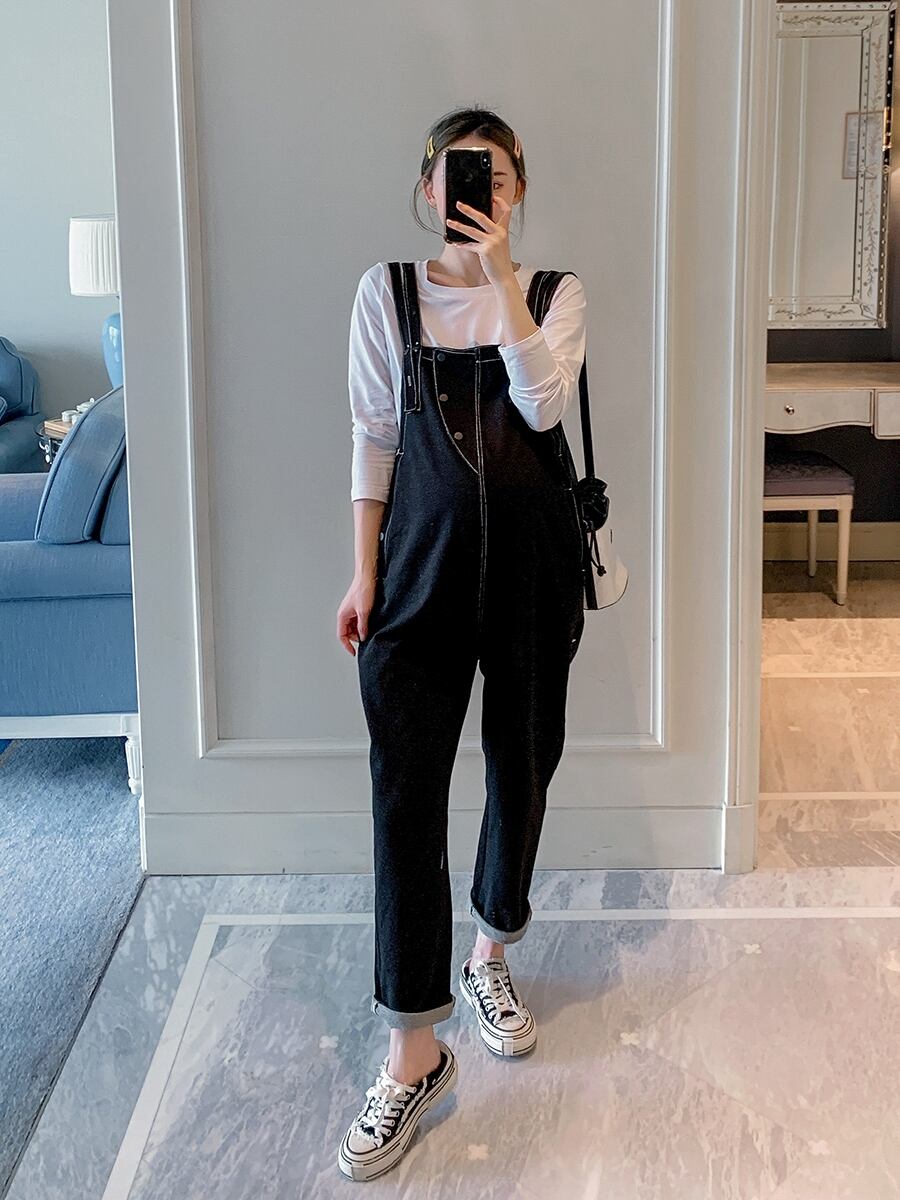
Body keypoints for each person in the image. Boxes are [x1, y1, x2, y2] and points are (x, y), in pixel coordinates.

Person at [335, 105, 587, 1182]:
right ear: (427, 189)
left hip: (532, 576)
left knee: (521, 764)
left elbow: (544, 406)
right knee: (405, 795)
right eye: (454, 173)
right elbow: (373, 437)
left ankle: (490, 952)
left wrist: (500, 285)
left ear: (516, 190)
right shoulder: (385, 294)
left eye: (493, 175)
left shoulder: (554, 296)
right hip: (420, 578)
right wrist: (365, 572)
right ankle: (413, 1049)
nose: (473, 189)